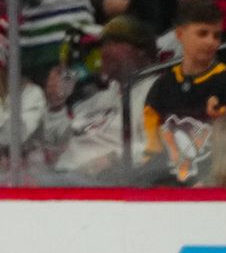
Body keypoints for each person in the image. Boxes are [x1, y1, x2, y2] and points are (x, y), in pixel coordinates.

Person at [42, 15, 159, 183]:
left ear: (141, 50)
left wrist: (113, 158)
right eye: (102, 45)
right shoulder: (99, 97)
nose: (103, 52)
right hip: (63, 177)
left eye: (111, 43)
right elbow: (56, 141)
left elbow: (160, 147)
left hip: (102, 185)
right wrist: (56, 106)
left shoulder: (157, 91)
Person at [141, 0, 226, 185]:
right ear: (180, 35)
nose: (211, 42)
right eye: (202, 33)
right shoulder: (162, 86)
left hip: (212, 185)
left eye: (216, 35)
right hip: (166, 185)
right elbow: (151, 147)